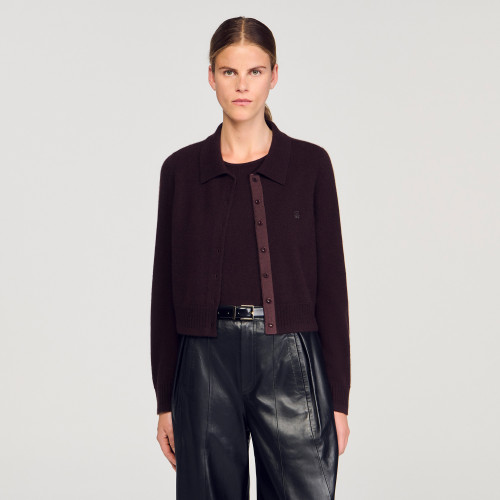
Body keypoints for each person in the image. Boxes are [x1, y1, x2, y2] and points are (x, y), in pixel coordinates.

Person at [151, 16, 351, 500]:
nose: (242, 85)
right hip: (203, 365)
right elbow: (164, 291)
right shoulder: (181, 171)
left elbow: (332, 288)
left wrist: (339, 399)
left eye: (255, 71)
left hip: (291, 362)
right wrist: (164, 400)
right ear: (211, 76)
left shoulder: (310, 165)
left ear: (274, 76)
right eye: (229, 72)